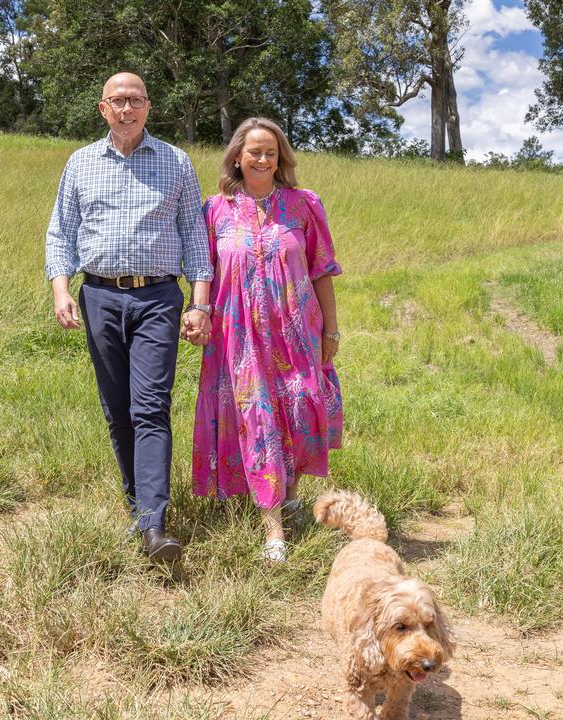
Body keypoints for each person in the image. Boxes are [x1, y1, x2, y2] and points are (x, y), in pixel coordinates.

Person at [45, 72, 213, 563]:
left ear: (148, 106)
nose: (126, 109)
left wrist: (199, 303)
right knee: (117, 410)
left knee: (150, 407)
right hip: (98, 297)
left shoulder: (175, 162)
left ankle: (155, 526)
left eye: (134, 100)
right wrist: (61, 290)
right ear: (103, 109)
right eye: (117, 101)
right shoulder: (80, 164)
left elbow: (195, 237)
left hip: (159, 298)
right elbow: (61, 233)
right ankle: (137, 507)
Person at [189, 117, 343, 564]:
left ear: (281, 159)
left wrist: (330, 330)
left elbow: (322, 271)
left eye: (271, 152)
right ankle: (272, 527)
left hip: (296, 331)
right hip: (238, 337)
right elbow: (204, 272)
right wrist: (198, 311)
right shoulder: (214, 209)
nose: (262, 158)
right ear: (237, 156)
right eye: (254, 151)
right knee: (257, 421)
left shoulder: (304, 205)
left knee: (297, 411)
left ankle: (290, 497)